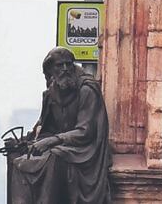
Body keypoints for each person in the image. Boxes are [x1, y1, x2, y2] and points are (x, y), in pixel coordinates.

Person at [9, 48, 111, 204]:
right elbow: (44, 127)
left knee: (54, 156)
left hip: (84, 150)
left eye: (68, 64)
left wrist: (52, 141)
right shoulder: (50, 94)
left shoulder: (87, 89)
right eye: (59, 65)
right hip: (61, 144)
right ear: (50, 70)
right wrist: (25, 141)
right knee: (16, 157)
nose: (65, 69)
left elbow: (85, 132)